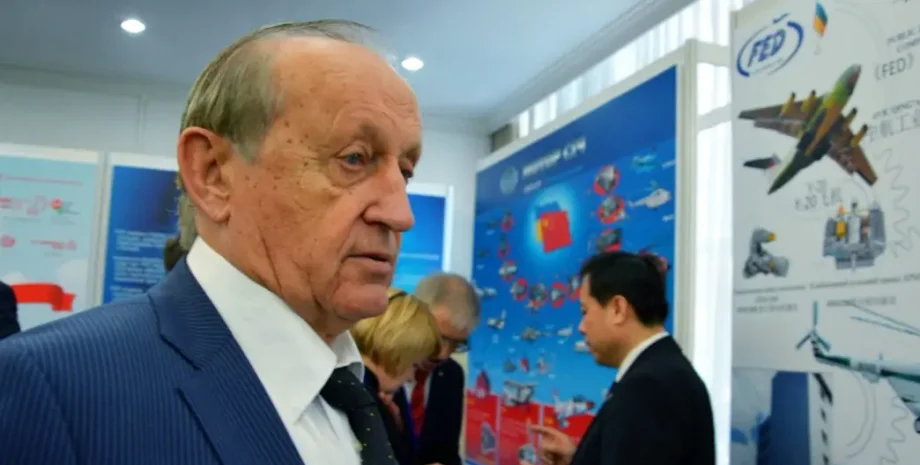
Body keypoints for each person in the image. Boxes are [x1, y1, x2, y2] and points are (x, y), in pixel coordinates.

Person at [0, 20, 421, 465]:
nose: (401, 214)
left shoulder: (351, 392)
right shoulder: (50, 387)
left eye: (405, 173)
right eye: (354, 158)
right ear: (212, 174)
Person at [531, 251, 715, 465]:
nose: (581, 327)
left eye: (585, 311)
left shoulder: (648, 389)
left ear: (618, 309)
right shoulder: (664, 372)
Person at [395, 273, 480, 465]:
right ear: (412, 315)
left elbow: (448, 454)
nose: (443, 354)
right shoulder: (374, 368)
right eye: (439, 337)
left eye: (457, 344)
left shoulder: (451, 375)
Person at [351, 288, 443, 465]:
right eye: (413, 364)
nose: (410, 377)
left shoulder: (357, 387)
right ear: (398, 351)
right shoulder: (363, 401)